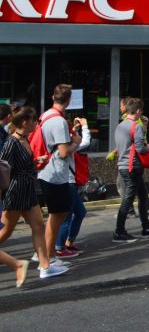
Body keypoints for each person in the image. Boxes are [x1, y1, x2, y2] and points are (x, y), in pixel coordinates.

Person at [0, 107, 68, 281]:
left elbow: (19, 164)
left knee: (39, 226)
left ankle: (45, 267)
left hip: (27, 189)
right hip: (16, 191)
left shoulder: (24, 140)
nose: (35, 123)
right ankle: (42, 265)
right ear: (24, 122)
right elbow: (4, 168)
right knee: (6, 231)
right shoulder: (11, 142)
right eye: (32, 120)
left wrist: (35, 161)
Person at [36, 84, 81, 263]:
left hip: (45, 171)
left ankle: (47, 255)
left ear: (53, 97)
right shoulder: (59, 121)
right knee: (56, 218)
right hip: (55, 174)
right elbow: (63, 152)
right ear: (69, 101)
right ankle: (48, 257)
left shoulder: (45, 115)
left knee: (55, 217)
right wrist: (76, 142)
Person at [113, 97, 149, 242]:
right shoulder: (137, 126)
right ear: (138, 111)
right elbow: (141, 148)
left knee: (142, 196)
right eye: (141, 110)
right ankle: (119, 232)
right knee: (128, 200)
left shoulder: (120, 126)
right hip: (133, 167)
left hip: (124, 165)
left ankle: (147, 228)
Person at [56, 115, 91, 257]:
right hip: (67, 183)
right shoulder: (67, 145)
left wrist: (75, 129)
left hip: (65, 182)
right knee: (67, 215)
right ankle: (59, 247)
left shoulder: (63, 141)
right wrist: (85, 126)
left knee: (77, 213)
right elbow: (85, 142)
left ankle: (67, 243)